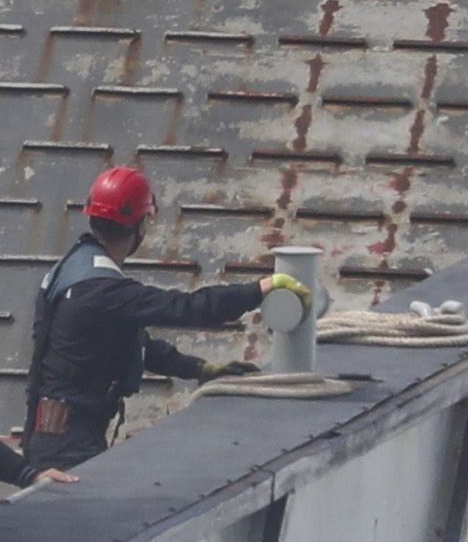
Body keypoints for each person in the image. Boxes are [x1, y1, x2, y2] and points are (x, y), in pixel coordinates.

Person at [18, 164, 294, 464]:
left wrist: (201, 369)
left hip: (52, 433)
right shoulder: (104, 290)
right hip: (69, 443)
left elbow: (134, 346)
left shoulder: (71, 271)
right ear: (139, 227)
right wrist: (260, 289)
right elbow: (187, 308)